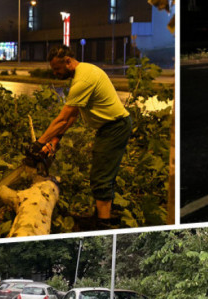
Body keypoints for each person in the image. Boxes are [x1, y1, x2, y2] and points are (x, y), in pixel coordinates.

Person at [30, 45, 132, 229]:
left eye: (57, 69)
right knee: (101, 173)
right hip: (110, 127)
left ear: (68, 61)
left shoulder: (83, 80)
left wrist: (38, 144)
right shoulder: (83, 73)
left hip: (115, 127)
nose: (55, 73)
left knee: (101, 177)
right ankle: (100, 216)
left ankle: (103, 225)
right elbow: (73, 115)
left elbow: (63, 118)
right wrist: (54, 141)